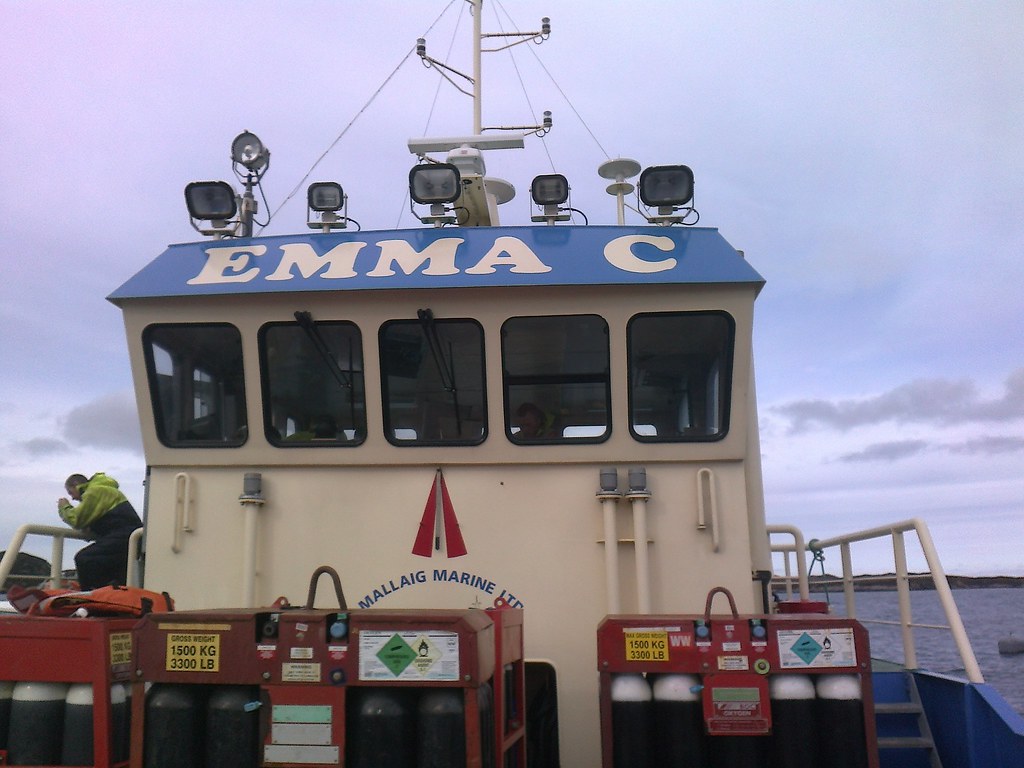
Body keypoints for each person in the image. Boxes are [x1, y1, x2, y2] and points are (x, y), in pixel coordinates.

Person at [57, 472, 143, 589]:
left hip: (124, 536)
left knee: (84, 558)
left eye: (71, 492)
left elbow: (76, 519)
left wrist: (64, 506)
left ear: (76, 485)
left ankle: (92, 596)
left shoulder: (94, 492)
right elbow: (108, 517)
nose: (72, 498)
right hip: (128, 537)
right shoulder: (105, 490)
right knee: (114, 568)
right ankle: (109, 595)